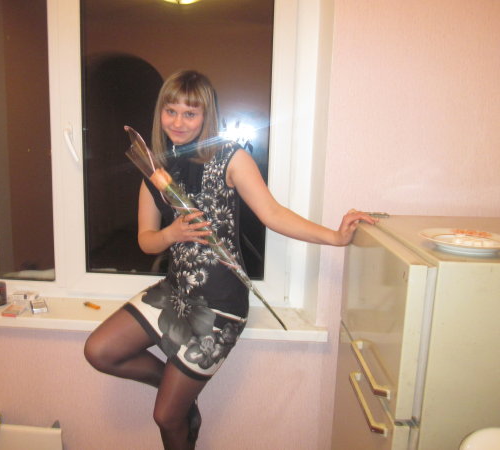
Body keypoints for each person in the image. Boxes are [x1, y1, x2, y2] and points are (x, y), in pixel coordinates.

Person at [84, 70, 377, 449]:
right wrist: (171, 234)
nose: (178, 122)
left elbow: (273, 214)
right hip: (175, 294)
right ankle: (179, 397)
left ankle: (180, 409)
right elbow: (146, 241)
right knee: (99, 351)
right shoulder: (153, 171)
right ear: (160, 114)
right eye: (171, 111)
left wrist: (335, 237)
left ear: (207, 116)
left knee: (166, 417)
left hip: (220, 307)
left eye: (190, 113)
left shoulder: (230, 158)